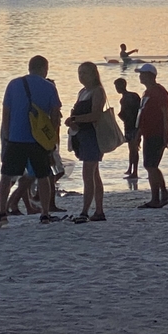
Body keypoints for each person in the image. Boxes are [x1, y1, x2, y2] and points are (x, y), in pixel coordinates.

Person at [64, 61, 107, 223]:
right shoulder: (82, 91)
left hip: (92, 136)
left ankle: (85, 211)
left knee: (88, 174)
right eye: (79, 73)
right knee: (94, 175)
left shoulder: (97, 91)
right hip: (82, 136)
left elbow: (96, 115)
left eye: (84, 73)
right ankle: (99, 210)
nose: (81, 76)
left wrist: (75, 119)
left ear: (93, 74)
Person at [136, 63, 168, 208]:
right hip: (147, 133)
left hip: (156, 133)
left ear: (151, 76)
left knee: (151, 165)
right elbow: (142, 115)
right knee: (151, 166)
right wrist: (138, 134)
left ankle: (156, 197)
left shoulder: (159, 91)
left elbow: (165, 113)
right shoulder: (146, 93)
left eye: (143, 74)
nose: (140, 76)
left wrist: (166, 134)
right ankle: (163, 193)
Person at [113, 78, 142, 179]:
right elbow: (140, 110)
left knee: (133, 149)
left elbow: (125, 115)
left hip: (131, 126)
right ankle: (131, 169)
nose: (116, 89)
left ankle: (134, 172)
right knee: (133, 148)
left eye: (117, 86)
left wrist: (118, 116)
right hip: (136, 125)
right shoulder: (134, 95)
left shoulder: (124, 99)